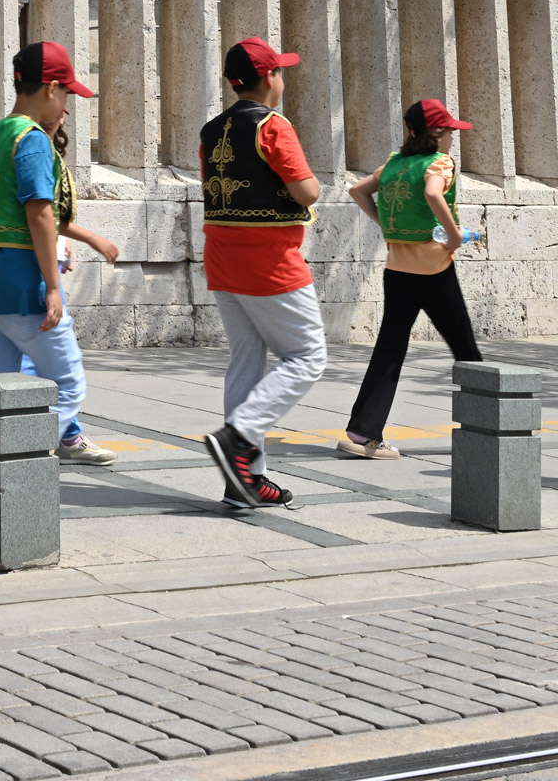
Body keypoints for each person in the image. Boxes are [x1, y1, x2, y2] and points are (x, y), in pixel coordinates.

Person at [0, 41, 121, 469]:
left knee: (1, 387)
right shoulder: (31, 139)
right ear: (51, 88)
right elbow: (41, 214)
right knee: (67, 381)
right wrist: (53, 287)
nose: (68, 102)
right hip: (22, 283)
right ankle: (17, 458)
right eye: (67, 92)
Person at [198, 38, 326, 508]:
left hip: (222, 256)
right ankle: (241, 437)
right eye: (281, 72)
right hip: (269, 259)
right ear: (270, 77)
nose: (283, 80)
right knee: (307, 355)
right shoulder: (274, 126)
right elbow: (306, 191)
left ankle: (244, 481)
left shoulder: (212, 129)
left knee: (246, 360)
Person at [339, 98, 481, 459]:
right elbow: (434, 193)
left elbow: (357, 191)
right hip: (434, 269)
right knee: (465, 349)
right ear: (437, 133)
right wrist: (451, 237)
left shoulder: (394, 163)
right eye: (450, 131)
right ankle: (489, 427)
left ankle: (363, 432)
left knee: (390, 349)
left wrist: (386, 225)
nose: (453, 138)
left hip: (397, 269)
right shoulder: (438, 162)